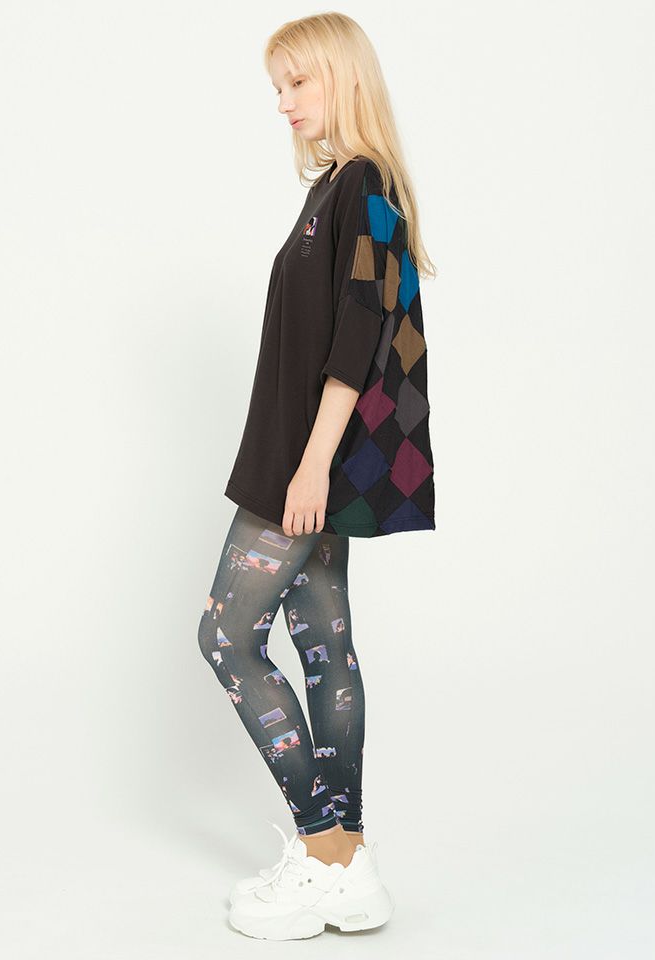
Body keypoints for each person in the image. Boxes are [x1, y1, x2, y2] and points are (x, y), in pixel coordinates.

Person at [197, 12, 437, 940]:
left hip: (305, 464)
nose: (284, 103)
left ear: (344, 77)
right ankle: (347, 867)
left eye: (298, 82)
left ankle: (326, 851)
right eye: (277, 88)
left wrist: (309, 467)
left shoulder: (365, 183)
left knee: (227, 636)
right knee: (324, 645)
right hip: (304, 458)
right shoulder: (335, 188)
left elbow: (358, 337)